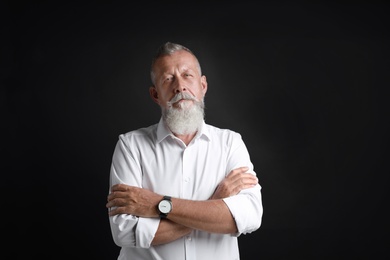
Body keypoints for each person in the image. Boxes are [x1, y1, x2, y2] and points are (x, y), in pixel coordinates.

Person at [106, 42, 263, 260]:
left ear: (203, 85)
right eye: (168, 79)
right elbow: (125, 232)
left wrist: (155, 204)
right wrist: (213, 205)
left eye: (187, 75)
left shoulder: (230, 143)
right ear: (155, 95)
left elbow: (249, 217)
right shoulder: (130, 146)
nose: (179, 86)